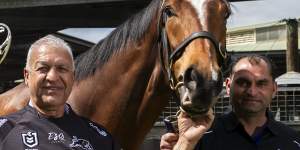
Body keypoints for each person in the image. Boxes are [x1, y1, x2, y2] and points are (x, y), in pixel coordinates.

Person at [0, 35, 120, 150]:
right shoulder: (4, 131)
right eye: (43, 68)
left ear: (72, 78)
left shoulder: (101, 138)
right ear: (27, 76)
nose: (52, 77)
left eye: (62, 69)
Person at [160, 55, 300, 150]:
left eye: (261, 83)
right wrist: (184, 143)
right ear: (228, 86)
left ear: (274, 89)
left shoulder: (293, 141)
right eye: (243, 82)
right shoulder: (199, 135)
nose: (252, 91)